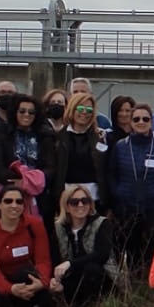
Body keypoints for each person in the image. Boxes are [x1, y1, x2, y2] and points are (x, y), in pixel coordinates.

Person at [110, 103, 154, 277]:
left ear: (150, 122)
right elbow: (112, 173)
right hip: (128, 204)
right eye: (136, 119)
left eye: (145, 119)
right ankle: (134, 280)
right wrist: (118, 193)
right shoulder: (120, 146)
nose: (141, 122)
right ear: (130, 122)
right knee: (131, 244)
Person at [0, 93, 54, 222]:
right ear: (14, 112)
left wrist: (33, 181)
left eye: (31, 112)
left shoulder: (45, 136)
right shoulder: (2, 133)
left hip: (38, 193)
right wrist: (17, 182)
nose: (27, 115)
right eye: (22, 111)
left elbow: (51, 167)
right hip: (9, 190)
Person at [49, 185, 117, 307]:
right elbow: (54, 258)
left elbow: (101, 255)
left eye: (85, 201)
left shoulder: (102, 223)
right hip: (71, 278)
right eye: (74, 202)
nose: (80, 205)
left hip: (100, 277)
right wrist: (53, 280)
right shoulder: (58, 228)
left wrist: (70, 263)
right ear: (67, 207)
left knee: (91, 269)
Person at [49, 93, 110, 221]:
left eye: (89, 110)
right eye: (80, 108)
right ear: (72, 109)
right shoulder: (58, 137)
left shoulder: (101, 137)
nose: (84, 113)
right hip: (66, 198)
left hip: (94, 199)